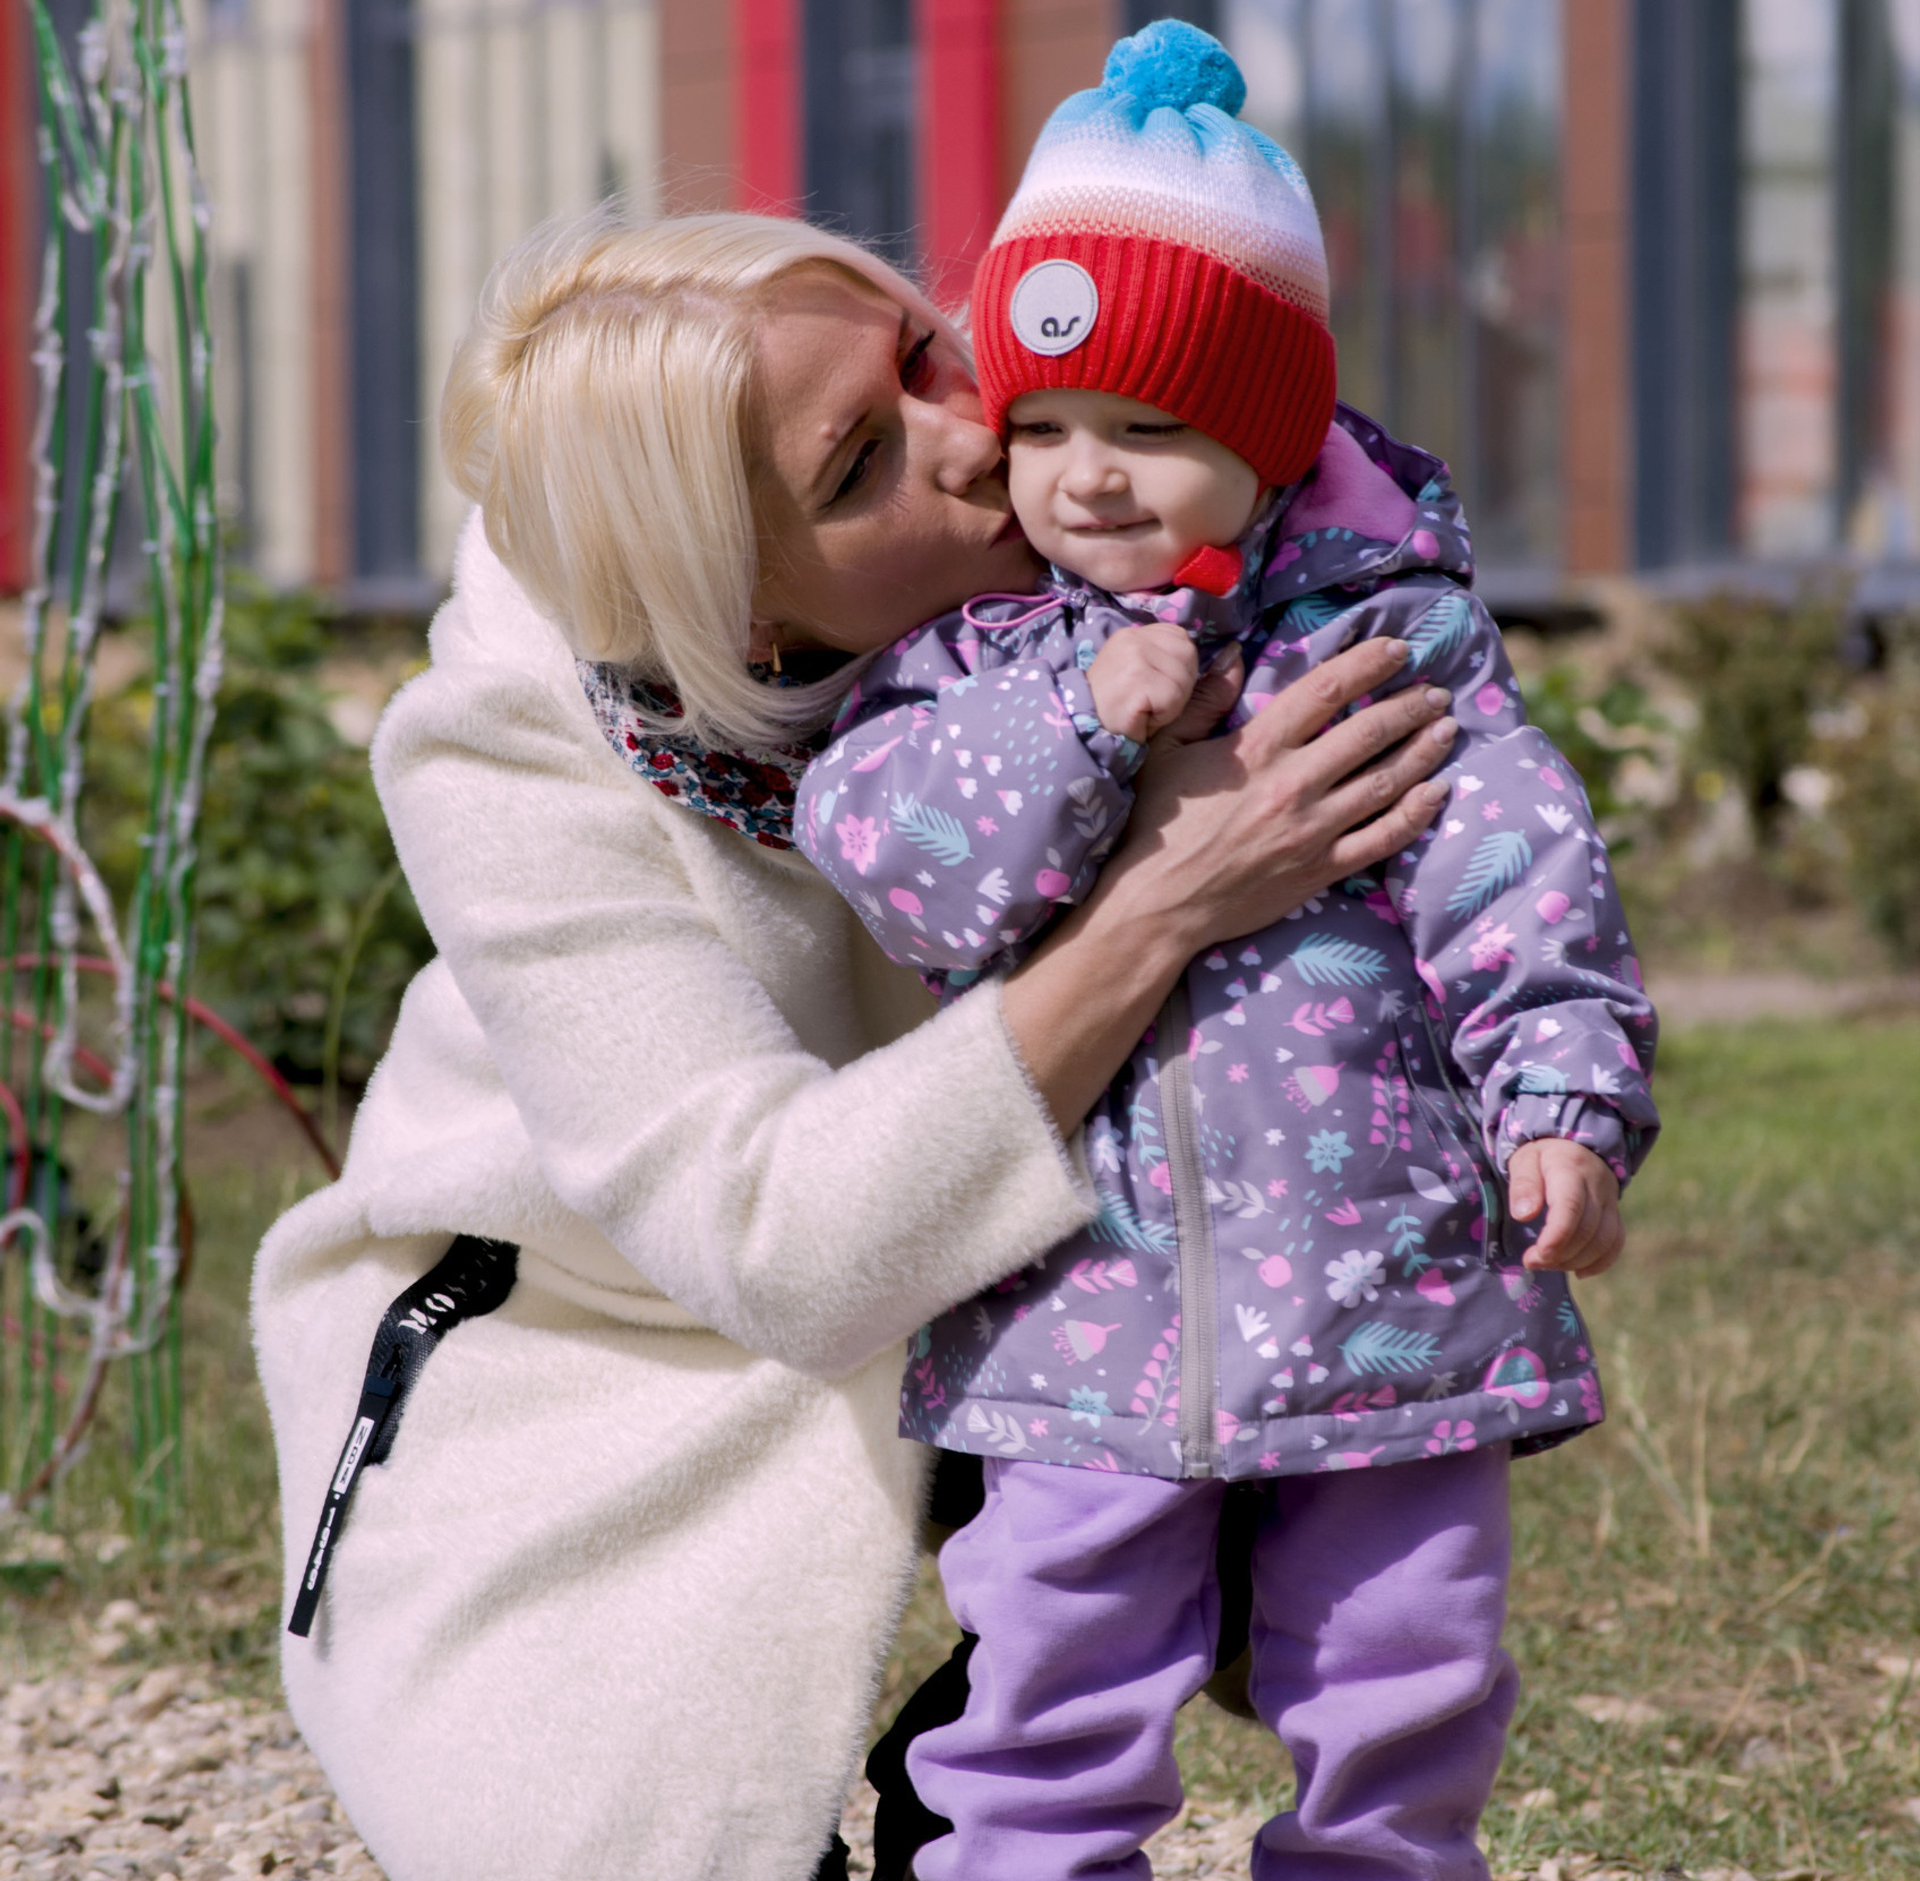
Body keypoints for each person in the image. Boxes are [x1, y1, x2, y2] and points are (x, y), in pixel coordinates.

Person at [250, 202, 1461, 1881]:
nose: (981, 437)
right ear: (746, 619)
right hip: (608, 1343)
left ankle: (989, 1799)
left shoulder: (1131, 577)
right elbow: (784, 1247)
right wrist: (1161, 909)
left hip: (1026, 1268)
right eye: (858, 466)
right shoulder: (506, 758)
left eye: (923, 349)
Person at [791, 22, 1660, 1881]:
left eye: (1149, 430)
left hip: (1390, 1278)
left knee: (1404, 1668)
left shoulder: (1386, 648)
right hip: (1082, 1309)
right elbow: (896, 858)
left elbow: (1519, 859)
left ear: (1266, 440)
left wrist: (1564, 1092)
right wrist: (1085, 731)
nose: (1084, 482)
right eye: (1041, 431)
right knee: (1048, 1670)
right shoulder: (982, 663)